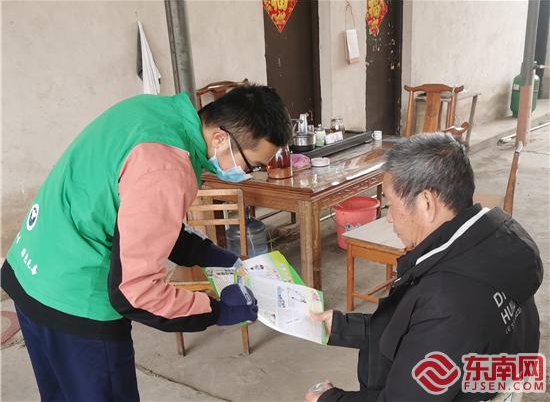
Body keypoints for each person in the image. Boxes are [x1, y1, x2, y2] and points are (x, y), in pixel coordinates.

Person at [1, 84, 292, 401]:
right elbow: (134, 293)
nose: (248, 174)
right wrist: (218, 310)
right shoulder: (168, 166)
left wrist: (210, 255)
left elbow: (140, 217)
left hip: (30, 273)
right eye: (251, 165)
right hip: (77, 301)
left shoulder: (154, 113)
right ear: (221, 138)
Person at [306, 133, 542, 401]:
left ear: (426, 203)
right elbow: (418, 327)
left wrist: (328, 399)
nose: (389, 218)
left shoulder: (448, 300)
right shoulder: (493, 238)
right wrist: (342, 327)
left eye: (390, 205)